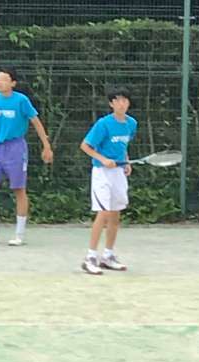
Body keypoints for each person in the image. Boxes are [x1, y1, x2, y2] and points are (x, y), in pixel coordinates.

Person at [0, 67, 53, 246]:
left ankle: (20, 233)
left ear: (13, 83)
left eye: (4, 79)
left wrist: (46, 146)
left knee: (19, 190)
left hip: (16, 148)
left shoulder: (21, 100)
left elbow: (36, 122)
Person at [80, 86, 137, 275]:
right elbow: (85, 146)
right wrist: (103, 159)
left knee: (115, 214)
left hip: (119, 173)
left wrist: (126, 161)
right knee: (103, 213)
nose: (121, 104)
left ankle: (108, 256)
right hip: (102, 173)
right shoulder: (103, 124)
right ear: (111, 104)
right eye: (117, 100)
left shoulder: (131, 123)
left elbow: (123, 146)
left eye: (124, 100)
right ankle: (90, 257)